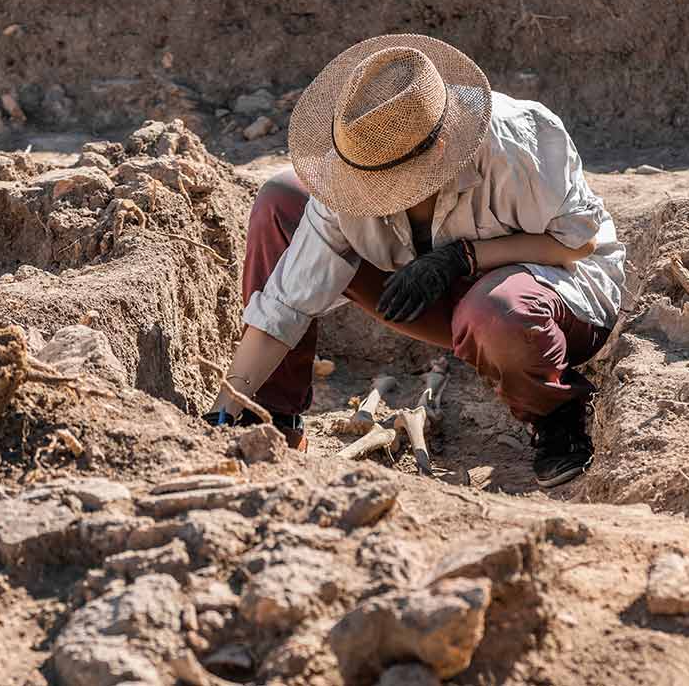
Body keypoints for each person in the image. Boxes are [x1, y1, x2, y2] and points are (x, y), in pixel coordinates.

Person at [205, 34, 625, 487]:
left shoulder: (519, 143)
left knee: (496, 311)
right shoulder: (355, 163)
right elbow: (286, 300)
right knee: (282, 199)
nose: (373, 197)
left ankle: (556, 412)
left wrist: (463, 258)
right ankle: (268, 420)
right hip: (432, 297)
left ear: (439, 150)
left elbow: (577, 244)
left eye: (392, 183)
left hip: (554, 298)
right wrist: (229, 406)